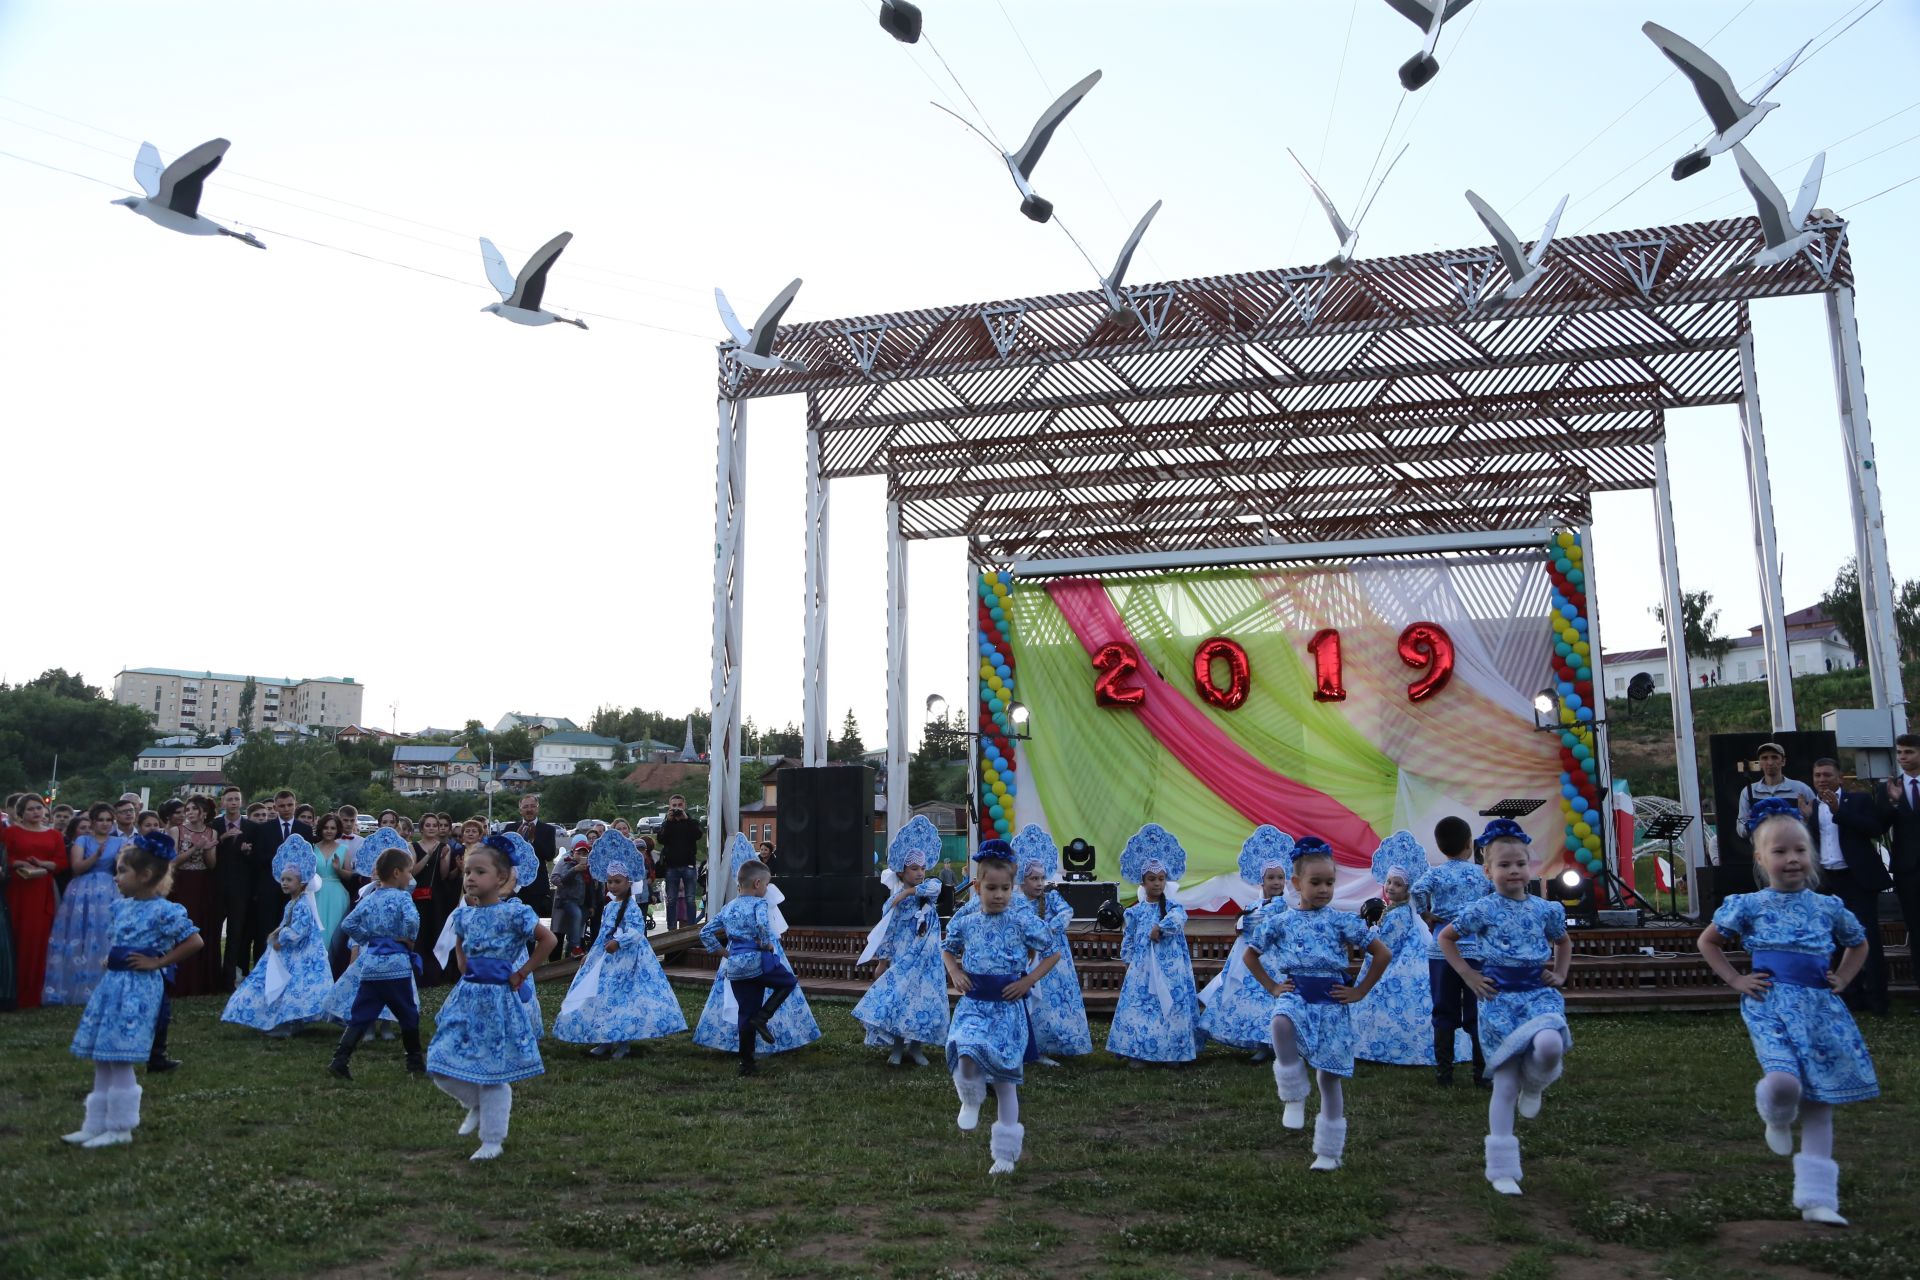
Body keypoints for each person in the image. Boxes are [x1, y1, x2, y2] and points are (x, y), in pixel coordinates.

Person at [1698, 796, 1878, 1227]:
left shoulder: (1827, 907)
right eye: (1780, 852)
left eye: (1799, 850)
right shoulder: (1749, 905)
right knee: (1783, 1083)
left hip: (1819, 1010)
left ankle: (1818, 1199)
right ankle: (1775, 1116)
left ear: (1811, 853)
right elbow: (1709, 941)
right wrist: (1735, 980)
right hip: (1771, 1005)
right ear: (1762, 858)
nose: (1792, 860)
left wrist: (1845, 977)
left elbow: (1859, 942)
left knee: (1819, 1103)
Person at [1438, 819, 1573, 1198]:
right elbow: (1447, 937)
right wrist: (1468, 974)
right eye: (1504, 865)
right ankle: (1502, 1168)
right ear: (1487, 870)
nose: (1514, 871)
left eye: (1520, 864)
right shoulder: (1482, 909)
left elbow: (1563, 942)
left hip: (1537, 994)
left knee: (1549, 1046)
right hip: (1498, 1000)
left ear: (1529, 866)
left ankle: (1537, 1082)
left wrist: (1560, 973)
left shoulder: (1545, 909)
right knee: (1505, 1082)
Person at [1244, 837, 1391, 1172]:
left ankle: (1328, 1152)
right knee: (1280, 1022)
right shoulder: (1280, 922)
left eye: (1330, 882)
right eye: (1316, 882)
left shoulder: (1342, 921)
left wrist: (1359, 991)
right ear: (1296, 884)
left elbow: (1382, 953)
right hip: (1296, 995)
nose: (1324, 889)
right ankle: (1293, 1095)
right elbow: (1250, 954)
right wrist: (1273, 987)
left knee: (1329, 1078)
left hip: (1331, 1005)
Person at [62, 831, 203, 1149]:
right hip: (113, 986)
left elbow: (195, 941)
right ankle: (94, 1123)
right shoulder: (121, 907)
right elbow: (120, 941)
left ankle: (121, 1126)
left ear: (146, 875)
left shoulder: (165, 911)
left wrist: (160, 962)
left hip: (138, 990)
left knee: (120, 1057)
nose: (116, 878)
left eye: (122, 871)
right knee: (103, 1055)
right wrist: (108, 959)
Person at [426, 834, 557, 1160]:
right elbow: (460, 942)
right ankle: (475, 1103)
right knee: (439, 1060)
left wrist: (523, 971)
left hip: (498, 998)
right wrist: (461, 961)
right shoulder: (464, 915)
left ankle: (492, 1139)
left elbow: (549, 940)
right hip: (468, 995)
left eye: (480, 872)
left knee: (494, 1073)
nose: (471, 877)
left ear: (500, 878)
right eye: (468, 871)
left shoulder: (515, 914)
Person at [939, 839, 1059, 1176]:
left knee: (1006, 1082)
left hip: (1007, 1008)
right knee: (965, 1048)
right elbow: (947, 948)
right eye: (991, 887)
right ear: (977, 886)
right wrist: (955, 970)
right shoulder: (966, 919)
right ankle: (971, 1098)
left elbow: (1052, 951)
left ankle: (1005, 1155)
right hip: (975, 1003)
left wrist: (1027, 981)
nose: (998, 895)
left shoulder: (1022, 919)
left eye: (1005, 888)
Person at [554, 830, 687, 1057]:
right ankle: (606, 1038)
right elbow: (603, 933)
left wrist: (619, 941)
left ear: (628, 882)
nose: (612, 886)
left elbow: (636, 931)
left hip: (628, 961)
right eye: (609, 882)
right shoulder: (609, 906)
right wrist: (592, 952)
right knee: (604, 998)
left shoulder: (631, 907)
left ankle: (623, 1041)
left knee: (624, 999)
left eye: (617, 881)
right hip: (608, 960)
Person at [696, 836, 819, 1074]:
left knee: (745, 1011)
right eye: (766, 885)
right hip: (758, 961)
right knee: (788, 983)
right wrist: (766, 944)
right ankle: (763, 1017)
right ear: (757, 885)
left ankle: (746, 1063)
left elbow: (705, 932)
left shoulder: (729, 907)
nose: (766, 890)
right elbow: (764, 926)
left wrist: (723, 952)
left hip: (736, 965)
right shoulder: (758, 905)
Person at [1353, 832, 1471, 1069]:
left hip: (1398, 964)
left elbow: (1389, 944)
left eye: (1398, 884)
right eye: (1389, 882)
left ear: (1408, 889)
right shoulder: (1395, 910)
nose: (1391, 887)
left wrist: (1371, 936)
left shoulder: (1400, 913)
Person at [853, 815, 950, 1067]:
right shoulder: (893, 903)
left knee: (923, 1000)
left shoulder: (929, 888)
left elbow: (934, 888)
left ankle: (916, 1047)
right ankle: (897, 1046)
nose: (920, 873)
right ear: (901, 871)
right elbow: (888, 931)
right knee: (901, 1000)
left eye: (922, 869)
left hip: (927, 960)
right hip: (903, 958)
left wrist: (908, 891)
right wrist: (882, 962)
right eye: (914, 869)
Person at [325, 841, 425, 1080]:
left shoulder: (370, 898)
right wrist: (407, 940)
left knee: (362, 1012)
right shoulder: (402, 899)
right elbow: (412, 922)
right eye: (409, 872)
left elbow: (349, 924)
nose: (410, 877)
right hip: (396, 966)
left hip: (371, 966)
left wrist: (368, 939)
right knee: (408, 1014)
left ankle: (340, 1059)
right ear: (397, 873)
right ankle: (415, 1065)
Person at [1198, 826, 1295, 1062]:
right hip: (1252, 961)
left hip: (1275, 962)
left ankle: (1276, 1043)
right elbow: (1244, 922)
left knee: (1273, 999)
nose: (1276, 882)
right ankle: (1261, 1043)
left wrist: (1247, 921)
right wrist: (1244, 921)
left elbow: (1260, 921)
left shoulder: (1281, 905)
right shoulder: (1254, 905)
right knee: (1252, 1000)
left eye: (1280, 877)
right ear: (1261, 880)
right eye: (1271, 877)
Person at [1105, 824, 1199, 1066]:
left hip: (1170, 969)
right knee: (1142, 1008)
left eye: (1161, 879)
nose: (1157, 883)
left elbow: (1178, 921)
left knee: (1171, 1007)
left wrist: (1160, 927)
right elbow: (1129, 937)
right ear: (1143, 882)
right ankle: (1141, 1052)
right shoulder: (1135, 912)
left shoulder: (1173, 907)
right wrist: (1129, 961)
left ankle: (1173, 1051)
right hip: (1143, 968)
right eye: (1151, 879)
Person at [220, 837, 332, 1037]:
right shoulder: (292, 903)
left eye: (289, 880)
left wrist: (280, 935)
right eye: (282, 879)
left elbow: (299, 930)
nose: (284, 883)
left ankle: (289, 1022)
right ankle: (281, 1019)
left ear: (302, 882)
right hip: (288, 951)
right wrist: (279, 935)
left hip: (303, 954)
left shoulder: (303, 904)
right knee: (279, 981)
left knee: (295, 985)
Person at [1411, 815, 1492, 1086]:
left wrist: (1427, 914)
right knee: (1477, 1008)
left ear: (1440, 846)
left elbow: (1418, 890)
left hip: (1442, 950)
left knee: (1443, 1009)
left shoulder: (1436, 873)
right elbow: (1495, 895)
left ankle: (1444, 1074)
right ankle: (1481, 1074)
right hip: (1475, 950)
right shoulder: (1481, 873)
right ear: (1470, 844)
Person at [1809, 759, 1891, 1015]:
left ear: (1839, 778)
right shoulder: (1811, 806)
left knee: (1867, 939)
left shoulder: (1858, 800)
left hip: (1857, 879)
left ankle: (1877, 1000)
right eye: (1817, 775)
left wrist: (1838, 811)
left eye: (1827, 774)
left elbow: (1874, 829)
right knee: (1836, 941)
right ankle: (1848, 998)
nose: (1822, 779)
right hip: (1828, 881)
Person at [1011, 826, 1091, 1065]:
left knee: (1055, 1000)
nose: (1038, 883)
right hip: (1029, 958)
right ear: (1021, 879)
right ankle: (1034, 1048)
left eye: (1041, 878)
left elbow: (1068, 912)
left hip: (1055, 960)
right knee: (1035, 1001)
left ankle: (1061, 1042)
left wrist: (1051, 926)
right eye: (1033, 878)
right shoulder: (1016, 900)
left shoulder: (1051, 895)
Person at [43, 803, 124, 1006]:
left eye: (108, 820)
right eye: (101, 820)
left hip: (109, 890)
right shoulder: (83, 840)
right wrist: (96, 855)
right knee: (79, 935)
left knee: (105, 933)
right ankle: (76, 984)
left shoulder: (119, 841)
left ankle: (104, 984)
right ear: (93, 822)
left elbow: (121, 869)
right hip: (83, 889)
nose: (105, 824)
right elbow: (77, 868)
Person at [3, 795, 64, 1010]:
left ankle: (33, 995)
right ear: (21, 812)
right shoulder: (10, 832)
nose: (36, 812)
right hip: (17, 889)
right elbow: (3, 857)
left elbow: (61, 862)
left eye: (39, 808)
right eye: (30, 809)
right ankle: (12, 992)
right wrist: (15, 862)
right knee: (15, 939)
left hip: (42, 890)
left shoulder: (54, 835)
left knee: (37, 941)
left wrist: (44, 864)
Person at [242, 791, 314, 965]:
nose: (286, 809)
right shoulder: (264, 829)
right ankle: (264, 968)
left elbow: (308, 859)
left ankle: (289, 967)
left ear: (295, 804)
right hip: (269, 888)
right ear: (275, 807)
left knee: (292, 929)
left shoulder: (304, 829)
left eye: (290, 805)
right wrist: (282, 861)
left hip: (295, 891)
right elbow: (258, 857)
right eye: (282, 806)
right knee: (266, 930)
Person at [1872, 732, 1920, 975]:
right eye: (1899, 752)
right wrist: (1892, 805)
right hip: (1908, 870)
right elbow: (1878, 828)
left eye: (1909, 752)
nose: (1903, 757)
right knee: (1916, 929)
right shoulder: (1888, 787)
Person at [169, 795, 223, 998]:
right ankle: (178, 979)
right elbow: (173, 862)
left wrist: (208, 849)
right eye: (187, 809)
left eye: (193, 809)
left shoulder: (212, 831)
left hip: (202, 883)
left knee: (202, 925)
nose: (189, 812)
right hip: (181, 883)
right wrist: (195, 847)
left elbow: (212, 865)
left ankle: (200, 981)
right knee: (181, 927)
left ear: (204, 813)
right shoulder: (177, 830)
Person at [212, 789, 255, 989]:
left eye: (237, 799)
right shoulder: (214, 825)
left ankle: (229, 979)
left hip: (241, 889)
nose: (233, 802)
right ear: (223, 803)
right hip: (217, 887)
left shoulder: (251, 827)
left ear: (242, 802)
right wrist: (222, 839)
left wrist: (248, 852)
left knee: (235, 934)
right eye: (229, 799)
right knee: (212, 934)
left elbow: (258, 857)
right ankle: (212, 975)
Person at [1733, 742, 1816, 839]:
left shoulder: (1801, 789)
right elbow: (1741, 824)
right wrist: (1750, 826)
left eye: (1774, 757)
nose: (1770, 762)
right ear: (1759, 763)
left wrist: (1806, 819)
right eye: (1764, 758)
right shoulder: (1748, 791)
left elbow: (1817, 824)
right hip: (1762, 849)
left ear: (1783, 761)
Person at [657, 794, 703, 929]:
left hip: (688, 865)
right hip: (671, 866)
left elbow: (698, 835)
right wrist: (669, 821)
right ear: (670, 807)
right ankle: (671, 929)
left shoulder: (691, 822)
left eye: (679, 805)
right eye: (674, 806)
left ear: (684, 806)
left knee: (690, 899)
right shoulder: (667, 822)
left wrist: (686, 819)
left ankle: (691, 928)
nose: (677, 808)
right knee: (671, 900)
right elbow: (661, 839)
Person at [511, 793, 558, 921]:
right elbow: (504, 856)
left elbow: (549, 856)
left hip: (537, 885)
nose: (529, 809)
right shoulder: (510, 828)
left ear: (537, 808)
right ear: (520, 810)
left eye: (532, 806)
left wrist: (533, 840)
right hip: (514, 884)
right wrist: (517, 839)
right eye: (526, 806)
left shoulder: (548, 829)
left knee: (534, 923)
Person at [550, 836, 591, 959]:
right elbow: (557, 878)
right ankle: (557, 959)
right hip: (565, 901)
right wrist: (574, 871)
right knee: (559, 931)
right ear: (573, 850)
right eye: (579, 852)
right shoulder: (566, 861)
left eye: (585, 853)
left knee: (578, 925)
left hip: (581, 901)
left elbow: (591, 887)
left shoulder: (588, 866)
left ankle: (572, 952)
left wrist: (592, 904)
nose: (582, 855)